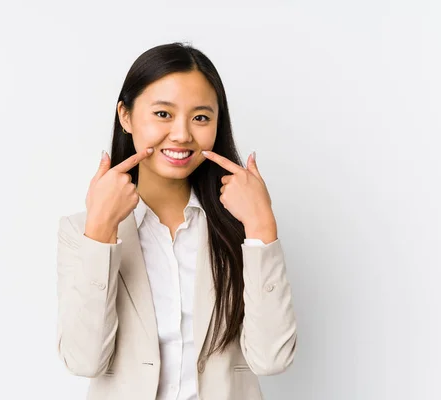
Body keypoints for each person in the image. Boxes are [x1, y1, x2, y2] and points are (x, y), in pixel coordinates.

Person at [55, 42, 298, 400]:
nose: (183, 134)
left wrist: (262, 227)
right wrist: (101, 233)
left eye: (201, 117)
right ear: (126, 116)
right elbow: (84, 361)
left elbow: (272, 359)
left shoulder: (240, 228)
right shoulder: (81, 231)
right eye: (163, 114)